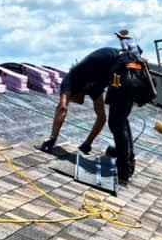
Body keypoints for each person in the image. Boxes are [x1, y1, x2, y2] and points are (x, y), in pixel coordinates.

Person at [39, 45, 137, 185]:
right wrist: (87, 143)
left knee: (116, 121)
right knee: (119, 119)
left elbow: (62, 107)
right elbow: (101, 118)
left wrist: (52, 138)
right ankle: (128, 163)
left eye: (72, 99)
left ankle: (124, 169)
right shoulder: (92, 86)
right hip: (129, 70)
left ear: (72, 92)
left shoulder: (70, 79)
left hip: (123, 66)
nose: (75, 102)